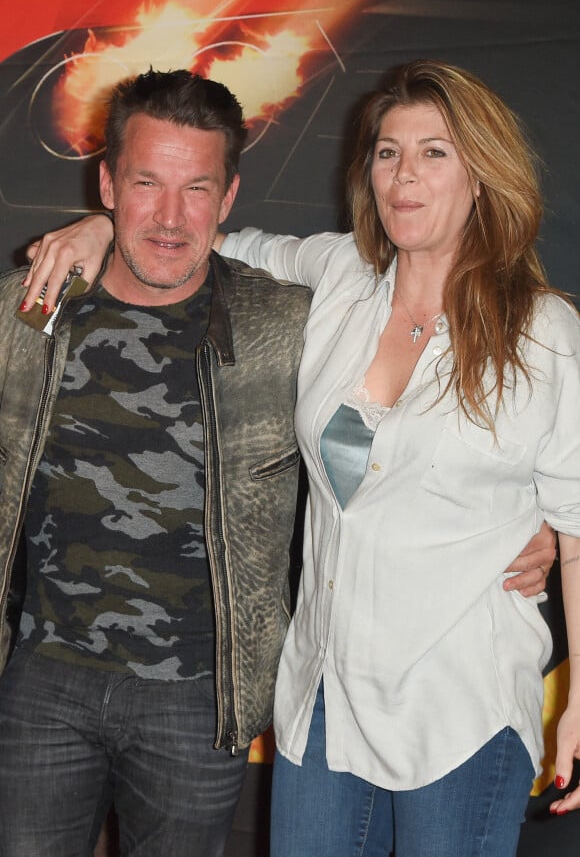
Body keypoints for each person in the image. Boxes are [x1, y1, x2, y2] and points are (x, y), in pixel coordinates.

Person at [19, 61, 568, 855]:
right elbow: (188, 237)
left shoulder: (537, 330)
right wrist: (102, 226)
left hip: (431, 701)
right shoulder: (342, 276)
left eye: (435, 152)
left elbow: (567, 495)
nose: (405, 174)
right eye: (387, 152)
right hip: (301, 693)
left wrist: (548, 539)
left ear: (482, 173)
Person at [0, 68, 313, 857]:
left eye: (197, 188)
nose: (170, 217)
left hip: (198, 697)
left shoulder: (284, 328)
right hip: (40, 677)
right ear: (106, 182)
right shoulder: (27, 311)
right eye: (146, 182)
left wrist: (544, 529)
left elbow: (413, 412)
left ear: (230, 198)